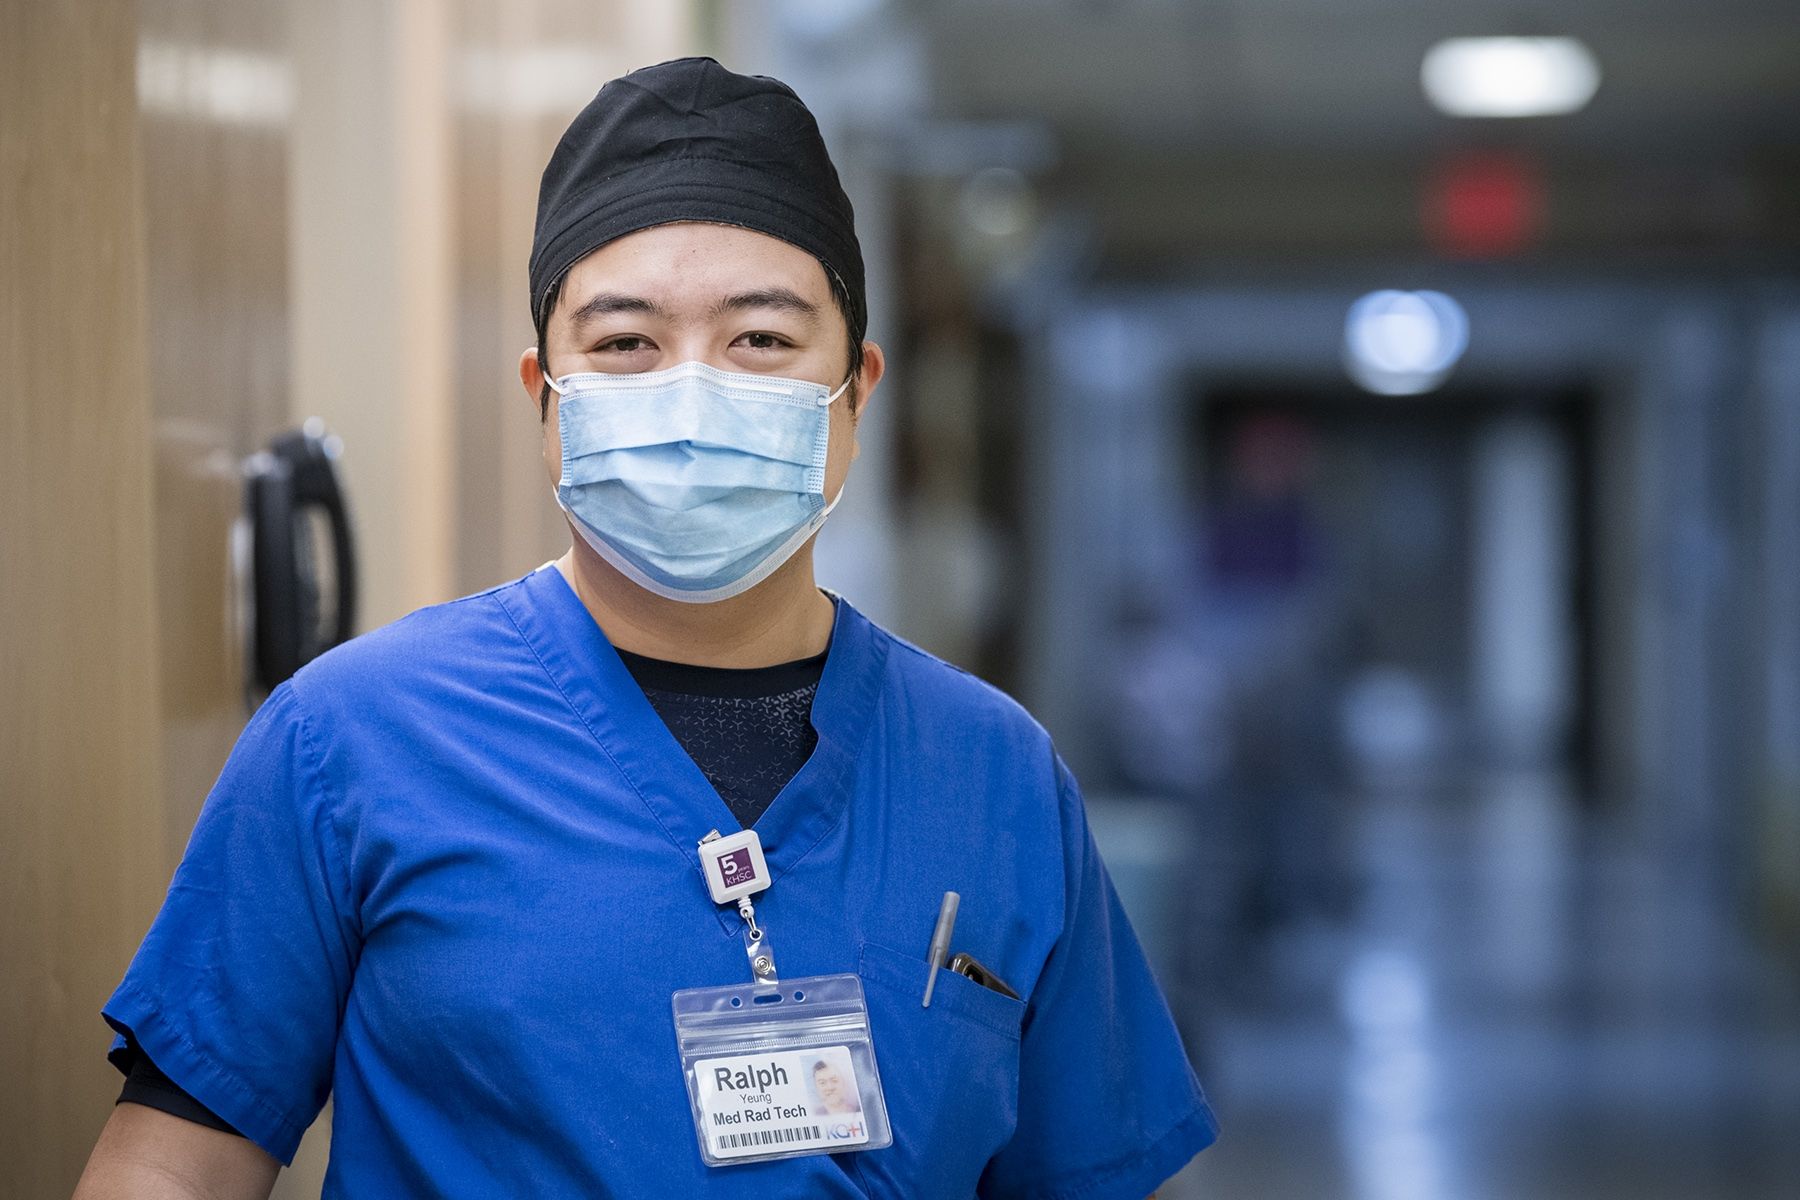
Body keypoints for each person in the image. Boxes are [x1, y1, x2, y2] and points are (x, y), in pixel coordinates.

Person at [73, 57, 1217, 1199]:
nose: (690, 394)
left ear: (855, 394)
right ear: (546, 399)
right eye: (625, 344)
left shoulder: (993, 772)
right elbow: (171, 1164)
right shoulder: (349, 740)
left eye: (761, 341)